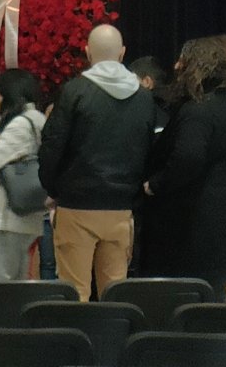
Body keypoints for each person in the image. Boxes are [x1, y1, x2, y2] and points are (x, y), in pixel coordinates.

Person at [38, 25, 158, 301]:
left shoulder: (75, 91)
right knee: (114, 293)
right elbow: (149, 151)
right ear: (123, 53)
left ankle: (75, 343)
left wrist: (53, 188)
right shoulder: (144, 98)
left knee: (73, 294)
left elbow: (52, 145)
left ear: (87, 52)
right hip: (121, 207)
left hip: (76, 205)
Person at [142, 37, 226, 299]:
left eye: (182, 61)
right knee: (213, 288)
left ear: (195, 67)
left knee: (197, 294)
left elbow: (188, 158)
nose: (176, 66)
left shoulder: (197, 110)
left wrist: (155, 184)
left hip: (202, 222)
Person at [0, 68, 48, 281]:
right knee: (18, 278)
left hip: (8, 215)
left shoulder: (21, 123)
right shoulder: (37, 119)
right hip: (25, 213)